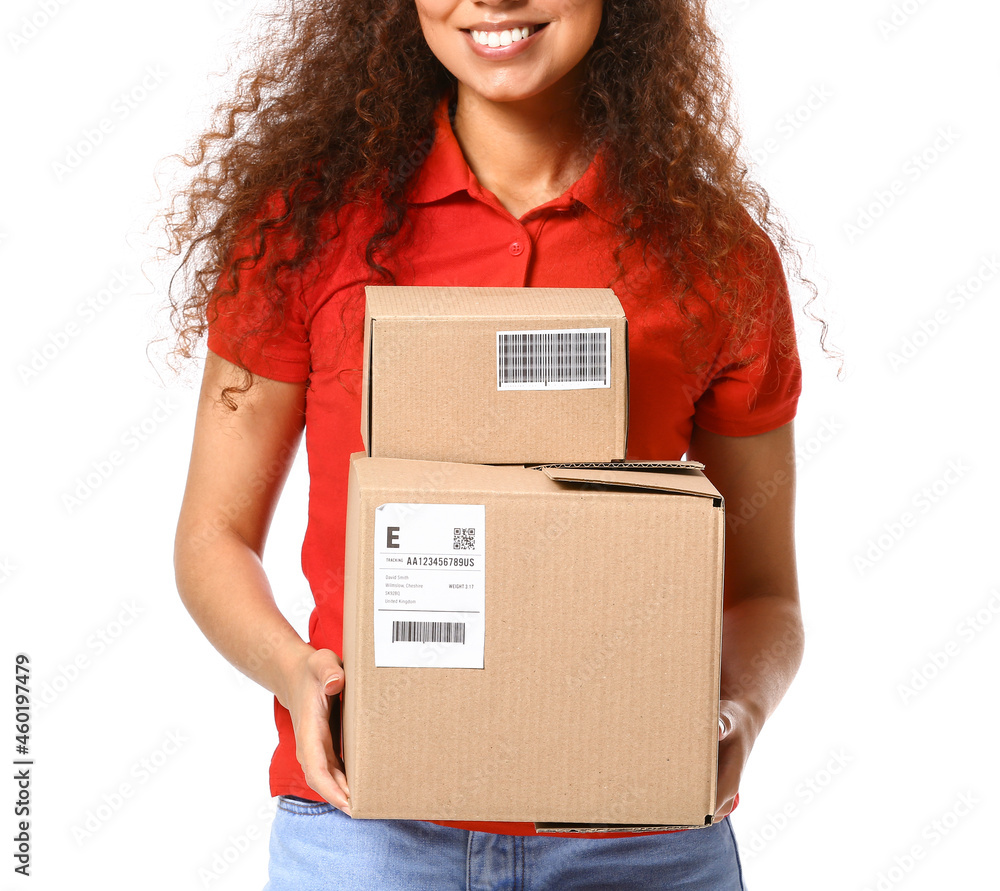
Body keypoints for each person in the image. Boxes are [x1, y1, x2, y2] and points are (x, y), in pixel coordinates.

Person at [167, 1, 815, 887]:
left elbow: (766, 594)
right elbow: (213, 536)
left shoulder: (719, 257)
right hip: (368, 831)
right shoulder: (304, 233)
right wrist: (294, 673)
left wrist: (742, 710)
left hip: (638, 838)